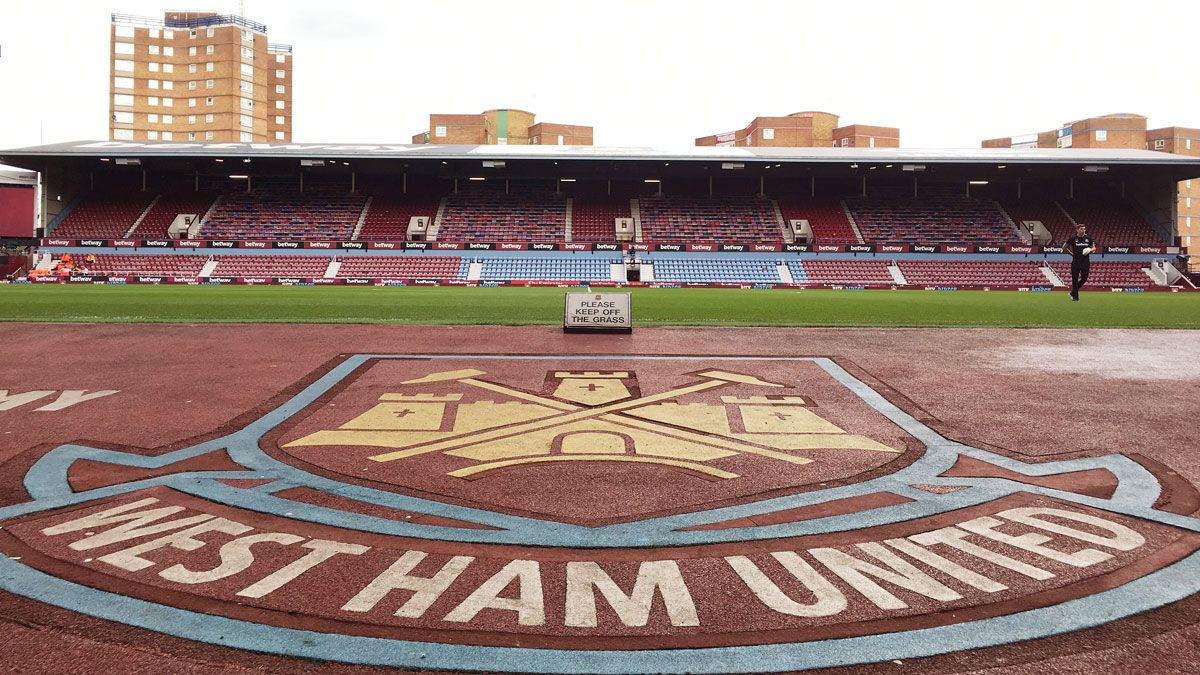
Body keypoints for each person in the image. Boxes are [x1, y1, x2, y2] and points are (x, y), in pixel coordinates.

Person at [1061, 224, 1097, 301]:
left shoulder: (1088, 238)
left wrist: (1090, 250)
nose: (1083, 230)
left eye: (1084, 229)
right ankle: (1075, 297)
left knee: (1084, 278)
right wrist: (1071, 254)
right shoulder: (1073, 239)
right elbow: (1064, 247)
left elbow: (1094, 247)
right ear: (1077, 230)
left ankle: (1073, 292)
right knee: (1074, 278)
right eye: (1081, 229)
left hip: (1085, 261)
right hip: (1076, 261)